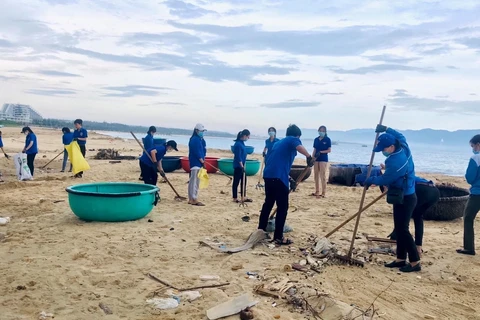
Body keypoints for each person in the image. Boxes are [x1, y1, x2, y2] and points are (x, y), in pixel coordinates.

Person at [364, 125, 419, 272]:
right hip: (400, 195)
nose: (382, 151)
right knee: (399, 228)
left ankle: (415, 262)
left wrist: (367, 179)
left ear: (392, 147)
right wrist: (386, 128)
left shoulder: (396, 162)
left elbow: (384, 179)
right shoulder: (403, 145)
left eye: (384, 149)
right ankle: (400, 259)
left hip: (406, 197)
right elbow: (399, 134)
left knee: (403, 229)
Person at [258, 124, 314, 245]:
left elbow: (276, 163)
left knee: (268, 203)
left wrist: (290, 179)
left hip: (268, 175)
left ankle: (261, 230)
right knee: (283, 207)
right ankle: (278, 237)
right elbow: (299, 147)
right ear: (297, 135)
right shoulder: (292, 139)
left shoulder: (278, 143)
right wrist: (309, 156)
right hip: (278, 177)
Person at [387, 174, 440, 257]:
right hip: (434, 191)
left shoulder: (396, 180)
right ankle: (418, 246)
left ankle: (399, 245)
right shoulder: (404, 173)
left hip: (421, 190)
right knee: (417, 216)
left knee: (403, 218)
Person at [457, 134, 480, 256]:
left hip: (477, 193)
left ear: (478, 145)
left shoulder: (475, 158)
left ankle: (469, 247)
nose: (473, 149)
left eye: (472, 146)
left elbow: (470, 178)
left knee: (468, 218)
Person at [188, 123, 207, 206]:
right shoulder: (194, 140)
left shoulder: (200, 139)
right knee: (194, 181)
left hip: (199, 163)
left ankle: (193, 198)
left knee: (196, 181)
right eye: (201, 131)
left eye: (203, 131)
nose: (202, 132)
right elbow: (197, 152)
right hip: (195, 163)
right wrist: (202, 161)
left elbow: (203, 150)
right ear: (196, 131)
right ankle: (193, 198)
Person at [311, 125, 331, 198]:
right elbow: (315, 149)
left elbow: (329, 150)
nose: (321, 132)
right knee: (316, 175)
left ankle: (323, 192)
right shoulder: (316, 139)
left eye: (323, 131)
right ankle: (317, 191)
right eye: (320, 130)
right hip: (316, 159)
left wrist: (322, 152)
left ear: (325, 132)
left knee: (322, 175)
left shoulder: (327, 139)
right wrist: (312, 158)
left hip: (323, 159)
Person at [233, 129, 252, 204]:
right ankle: (235, 197)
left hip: (242, 165)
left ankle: (243, 196)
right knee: (236, 182)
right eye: (248, 136)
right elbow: (238, 156)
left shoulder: (242, 143)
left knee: (244, 181)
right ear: (244, 136)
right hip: (238, 166)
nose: (248, 138)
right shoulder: (237, 144)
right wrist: (241, 165)